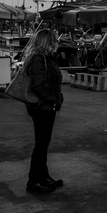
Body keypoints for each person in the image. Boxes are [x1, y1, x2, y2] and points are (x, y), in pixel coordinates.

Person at [22, 29, 64, 193]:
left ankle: (43, 177)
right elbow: (38, 86)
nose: (57, 43)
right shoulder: (39, 59)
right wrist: (53, 100)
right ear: (48, 42)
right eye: (55, 40)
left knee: (43, 144)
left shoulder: (45, 58)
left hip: (45, 106)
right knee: (41, 145)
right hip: (42, 107)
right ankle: (33, 181)